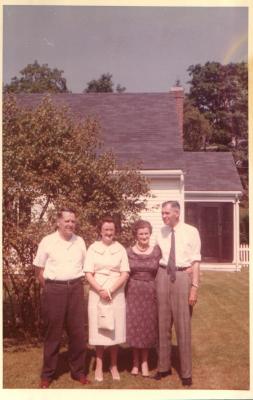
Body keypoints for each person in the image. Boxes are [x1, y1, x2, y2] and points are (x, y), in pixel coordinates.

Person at [33, 207, 89, 389]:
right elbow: (39, 270)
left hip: (75, 288)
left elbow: (85, 266)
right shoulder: (47, 241)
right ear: (58, 222)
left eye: (73, 221)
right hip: (54, 290)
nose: (70, 224)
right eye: (67, 221)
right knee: (53, 334)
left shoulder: (80, 241)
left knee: (78, 333)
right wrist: (50, 288)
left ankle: (78, 371)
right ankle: (47, 374)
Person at [154, 200, 201, 386]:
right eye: (162, 213)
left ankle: (186, 373)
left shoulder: (191, 231)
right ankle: (163, 367)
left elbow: (196, 261)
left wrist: (194, 287)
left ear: (176, 213)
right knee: (162, 323)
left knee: (183, 325)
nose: (164, 216)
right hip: (163, 274)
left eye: (166, 213)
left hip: (182, 276)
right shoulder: (161, 232)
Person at [84, 216, 129, 382]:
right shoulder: (92, 248)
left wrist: (110, 290)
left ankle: (114, 365)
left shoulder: (121, 249)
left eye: (111, 230)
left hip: (116, 292)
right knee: (99, 329)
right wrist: (101, 289)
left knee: (114, 329)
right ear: (100, 231)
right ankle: (99, 365)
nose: (109, 233)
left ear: (115, 231)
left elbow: (125, 273)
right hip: (97, 292)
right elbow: (88, 273)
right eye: (106, 230)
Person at [126, 220, 161, 377]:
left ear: (150, 233)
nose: (144, 236)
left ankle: (145, 362)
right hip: (133, 290)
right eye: (141, 233)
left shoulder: (156, 251)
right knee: (135, 325)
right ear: (136, 235)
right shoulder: (128, 252)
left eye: (146, 233)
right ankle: (134, 363)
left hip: (150, 291)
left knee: (147, 325)